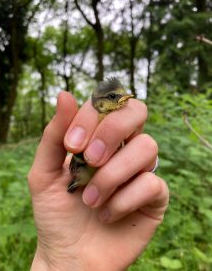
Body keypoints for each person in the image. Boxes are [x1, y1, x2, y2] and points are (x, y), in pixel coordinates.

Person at [28, 91, 169, 271]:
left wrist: (143, 172)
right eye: (113, 98)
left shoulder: (119, 136)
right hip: (79, 183)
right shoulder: (89, 137)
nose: (122, 99)